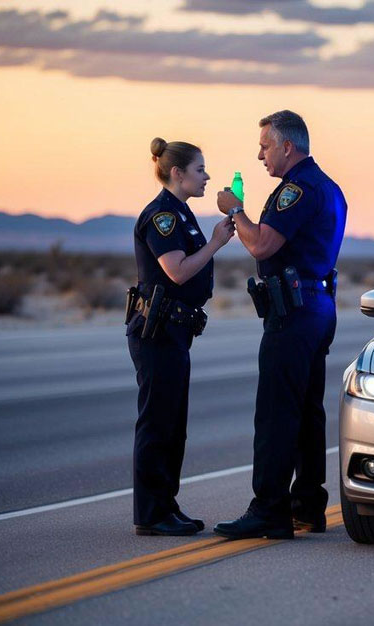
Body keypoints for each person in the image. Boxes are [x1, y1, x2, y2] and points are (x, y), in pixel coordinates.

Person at [213, 110, 346, 539]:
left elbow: (263, 243)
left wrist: (236, 211)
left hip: (293, 311)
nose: (260, 156)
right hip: (316, 306)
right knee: (306, 411)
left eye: (265, 146)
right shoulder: (328, 186)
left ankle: (269, 509)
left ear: (288, 147)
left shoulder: (297, 189)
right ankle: (307, 506)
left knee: (276, 413)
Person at [127, 137, 235, 536]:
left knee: (173, 423)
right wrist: (216, 243)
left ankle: (165, 506)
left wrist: (215, 240)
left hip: (175, 330)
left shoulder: (181, 213)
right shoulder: (163, 216)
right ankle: (151, 514)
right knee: (158, 422)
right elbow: (177, 271)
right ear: (177, 173)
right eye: (200, 169)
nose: (206, 176)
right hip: (157, 330)